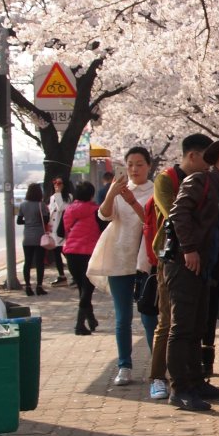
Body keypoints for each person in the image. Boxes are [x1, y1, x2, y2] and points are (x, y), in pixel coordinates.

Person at [162, 136, 219, 411]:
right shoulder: (199, 181)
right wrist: (189, 248)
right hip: (184, 264)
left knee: (198, 326)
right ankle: (179, 389)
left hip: (204, 268)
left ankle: (195, 381)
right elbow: (178, 215)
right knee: (182, 328)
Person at [146, 133, 211, 401]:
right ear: (192, 156)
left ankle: (192, 378)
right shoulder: (166, 179)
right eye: (206, 158)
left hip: (196, 255)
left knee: (194, 323)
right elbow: (174, 211)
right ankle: (158, 377)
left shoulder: (204, 180)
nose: (209, 165)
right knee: (168, 320)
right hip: (172, 255)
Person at [93, 148, 156, 386]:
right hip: (119, 257)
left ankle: (157, 367)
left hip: (144, 261)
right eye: (130, 164)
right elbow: (104, 215)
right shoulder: (119, 190)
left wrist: (131, 200)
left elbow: (152, 223)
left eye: (139, 164)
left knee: (150, 316)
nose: (134, 169)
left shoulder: (155, 190)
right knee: (122, 317)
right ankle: (124, 366)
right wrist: (112, 194)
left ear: (148, 166)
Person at [62, 181, 102, 335]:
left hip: (71, 253)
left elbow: (62, 230)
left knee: (83, 288)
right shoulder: (97, 211)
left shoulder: (69, 210)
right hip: (88, 254)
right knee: (87, 289)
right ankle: (79, 325)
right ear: (91, 195)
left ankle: (91, 319)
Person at [17, 183, 50, 297]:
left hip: (27, 237)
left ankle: (27, 287)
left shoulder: (23, 205)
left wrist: (29, 222)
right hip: (39, 237)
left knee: (27, 262)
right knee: (40, 262)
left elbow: (19, 221)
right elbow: (46, 220)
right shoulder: (41, 205)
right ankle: (39, 287)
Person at [47, 177, 72, 286]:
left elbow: (62, 207)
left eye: (59, 183)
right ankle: (61, 276)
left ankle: (76, 273)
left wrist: (58, 194)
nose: (56, 185)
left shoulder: (69, 197)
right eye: (55, 182)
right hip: (53, 229)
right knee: (56, 253)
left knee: (66, 252)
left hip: (63, 228)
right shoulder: (52, 197)